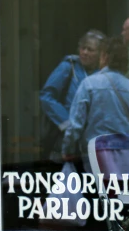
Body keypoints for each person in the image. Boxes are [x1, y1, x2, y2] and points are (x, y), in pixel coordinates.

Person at [62, 36, 129, 171]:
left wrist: (68, 149)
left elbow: (75, 125)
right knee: (125, 191)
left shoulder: (89, 85)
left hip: (97, 156)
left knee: (98, 191)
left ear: (104, 57)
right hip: (128, 157)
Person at [39, 29, 106, 160]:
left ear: (100, 54)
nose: (85, 52)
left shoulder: (104, 73)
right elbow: (46, 97)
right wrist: (67, 124)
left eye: (90, 50)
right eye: (83, 48)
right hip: (68, 137)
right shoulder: (69, 66)